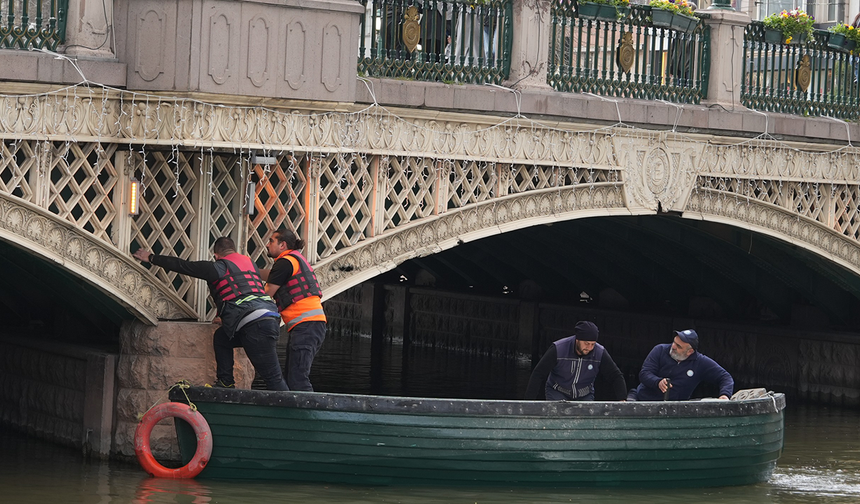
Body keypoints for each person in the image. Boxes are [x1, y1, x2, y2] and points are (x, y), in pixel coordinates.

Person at [131, 237, 288, 391]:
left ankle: (291, 407)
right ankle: (226, 382)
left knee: (273, 379)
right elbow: (241, 292)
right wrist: (226, 319)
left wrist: (151, 257)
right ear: (234, 251)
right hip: (268, 318)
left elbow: (183, 265)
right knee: (222, 338)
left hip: (255, 325)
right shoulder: (250, 264)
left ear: (216, 255)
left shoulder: (217, 267)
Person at [263, 228, 327, 391]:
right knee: (293, 377)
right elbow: (272, 275)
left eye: (271, 241)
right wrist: (248, 271)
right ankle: (295, 406)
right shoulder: (294, 260)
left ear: (282, 245)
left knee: (298, 379)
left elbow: (266, 294)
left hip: (306, 326)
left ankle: (308, 407)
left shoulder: (284, 263)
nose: (267, 245)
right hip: (311, 325)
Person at [524, 321, 627, 401]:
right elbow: (539, 373)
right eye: (586, 343)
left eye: (593, 344)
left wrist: (622, 399)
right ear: (577, 339)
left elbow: (615, 375)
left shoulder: (600, 352)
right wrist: (529, 401)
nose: (589, 348)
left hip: (585, 394)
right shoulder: (558, 349)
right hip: (558, 391)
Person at [627, 329, 733, 401]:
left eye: (679, 346)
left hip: (675, 409)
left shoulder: (700, 362)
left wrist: (724, 395)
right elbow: (645, 373)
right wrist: (658, 382)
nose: (673, 347)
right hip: (643, 400)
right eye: (674, 342)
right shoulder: (660, 350)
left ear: (690, 351)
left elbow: (725, 377)